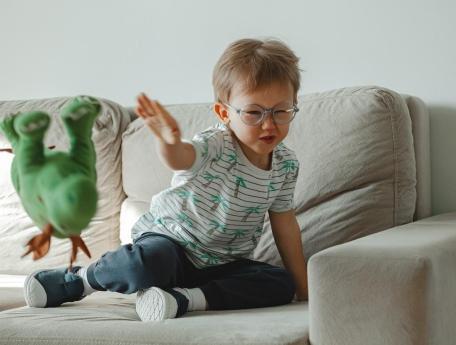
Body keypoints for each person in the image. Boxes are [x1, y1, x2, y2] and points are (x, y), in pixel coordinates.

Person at [23, 37, 308, 322]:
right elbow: (181, 157)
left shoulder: (286, 165)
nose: (268, 124)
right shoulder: (215, 145)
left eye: (281, 111)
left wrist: (304, 288)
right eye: (254, 113)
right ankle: (80, 280)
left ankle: (184, 299)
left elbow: (285, 226)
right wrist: (169, 141)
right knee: (146, 265)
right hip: (171, 244)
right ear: (224, 113)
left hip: (223, 263)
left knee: (279, 283)